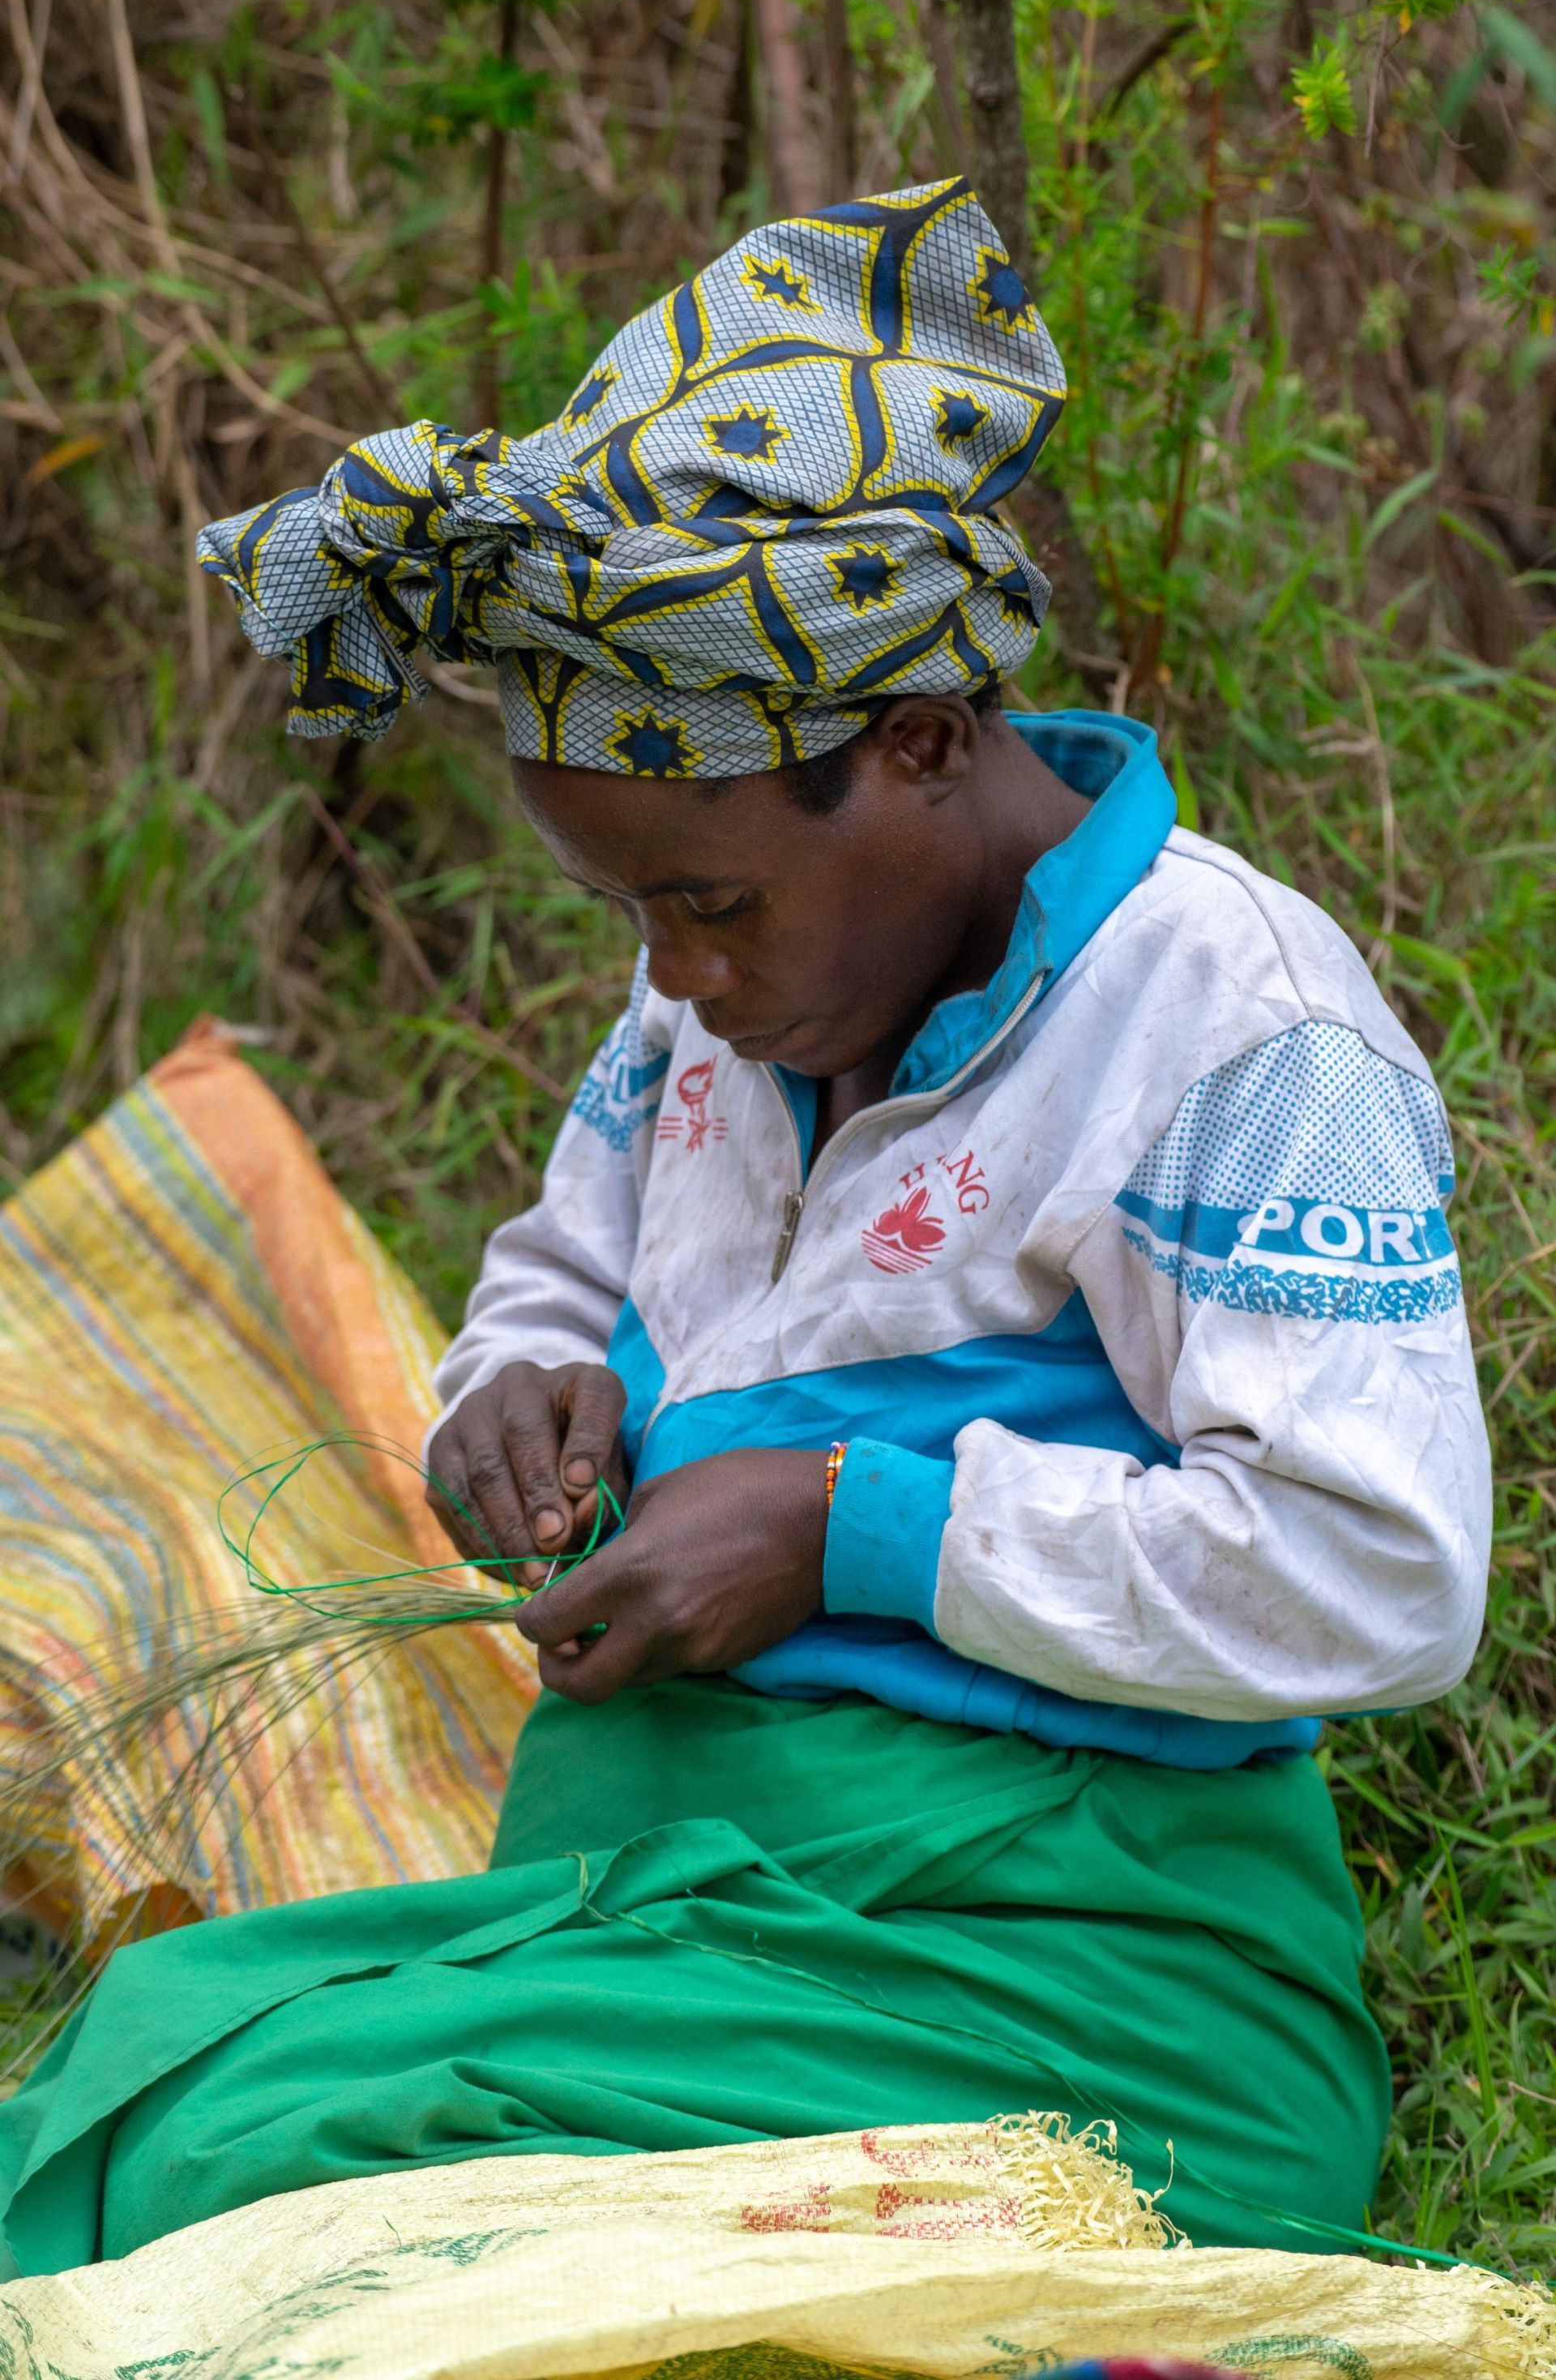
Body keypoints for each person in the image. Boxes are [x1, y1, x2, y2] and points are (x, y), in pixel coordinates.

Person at [0, 178, 1490, 2278]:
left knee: (295, 2184)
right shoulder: (739, 981)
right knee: (165, 2054)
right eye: (628, 913)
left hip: (1061, 1982)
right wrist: (516, 1381)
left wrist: (839, 1524)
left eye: (704, 902)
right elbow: (585, 1251)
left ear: (920, 745)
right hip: (679, 1894)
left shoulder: (1235, 1040)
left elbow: (1381, 1577)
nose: (674, 977)